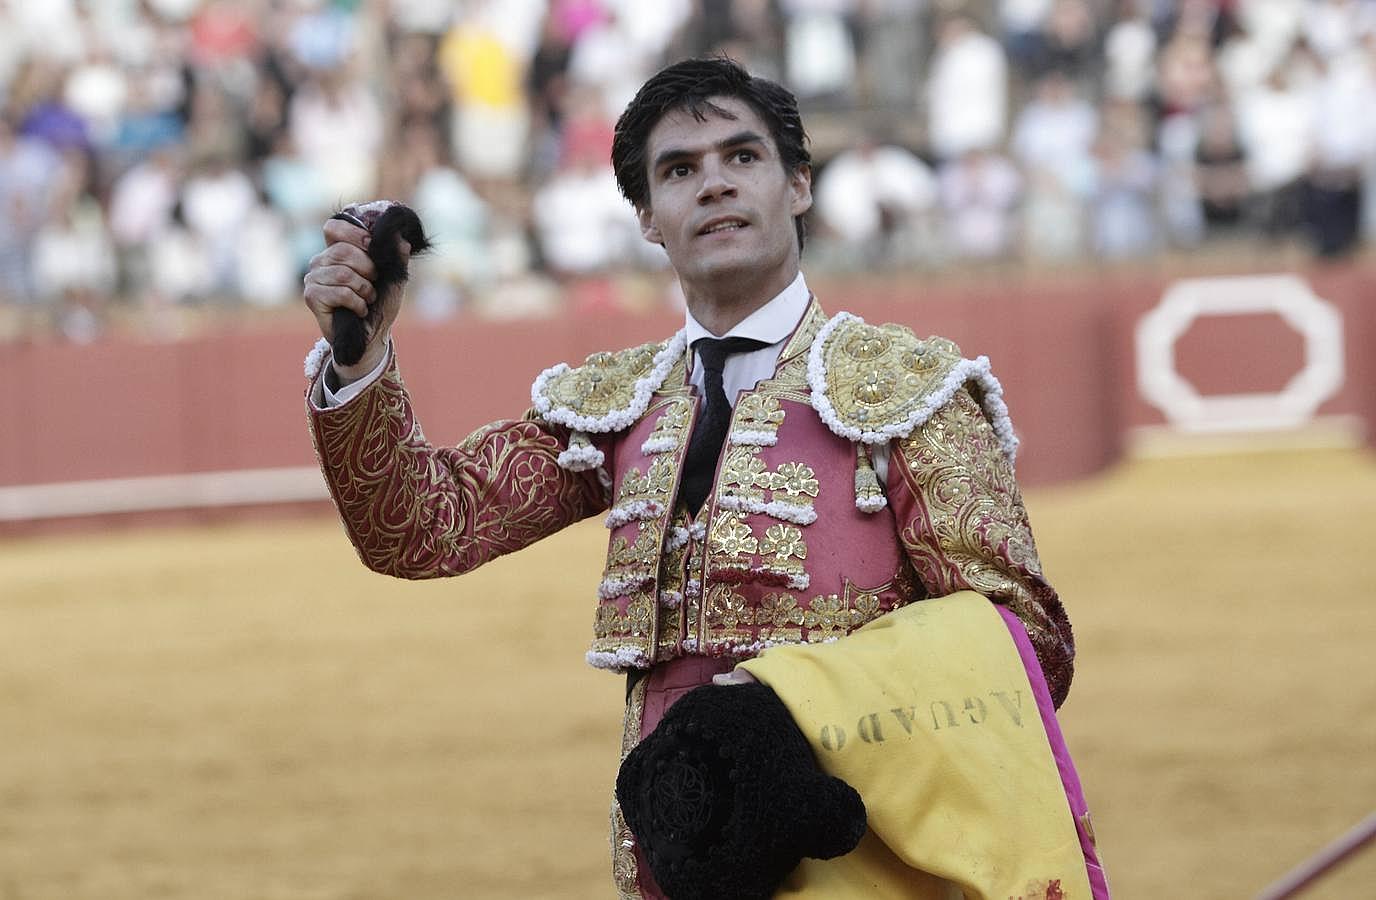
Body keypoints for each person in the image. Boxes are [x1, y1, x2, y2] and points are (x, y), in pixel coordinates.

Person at [300, 57, 1105, 898]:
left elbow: (1027, 644)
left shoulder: (910, 393)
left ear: (798, 185)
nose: (713, 185)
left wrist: (795, 703)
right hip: (674, 864)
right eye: (680, 171)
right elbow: (424, 529)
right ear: (648, 217)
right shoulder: (616, 406)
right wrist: (361, 361)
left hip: (865, 860)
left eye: (742, 158)